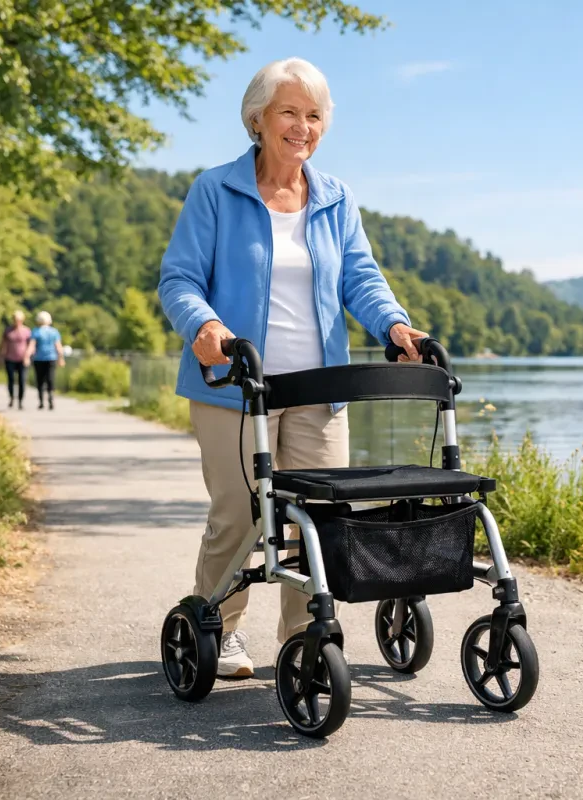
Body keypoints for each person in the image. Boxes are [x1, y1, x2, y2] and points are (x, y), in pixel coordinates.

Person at [157, 57, 429, 678]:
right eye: (289, 112)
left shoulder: (335, 198)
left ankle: (305, 640)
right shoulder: (215, 190)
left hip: (319, 389)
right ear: (257, 118)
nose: (302, 127)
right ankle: (218, 629)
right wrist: (204, 326)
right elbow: (179, 278)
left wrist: (394, 324)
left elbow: (361, 277)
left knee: (320, 520)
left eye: (314, 115)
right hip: (237, 387)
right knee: (240, 516)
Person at [26, 311, 65, 410]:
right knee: (50, 378)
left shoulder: (35, 331)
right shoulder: (54, 332)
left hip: (38, 359)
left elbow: (31, 346)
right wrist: (61, 358)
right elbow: (58, 346)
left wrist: (26, 356)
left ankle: (41, 401)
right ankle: (50, 397)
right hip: (51, 358)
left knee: (40, 380)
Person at [0, 310, 32, 409]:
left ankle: (20, 401)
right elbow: (3, 344)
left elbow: (30, 345)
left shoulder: (27, 331)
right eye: (15, 319)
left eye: (18, 320)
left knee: (22, 380)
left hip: (22, 359)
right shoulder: (8, 330)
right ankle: (12, 397)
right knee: (11, 379)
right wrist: (0, 356)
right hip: (10, 358)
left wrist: (27, 356)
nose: (17, 322)